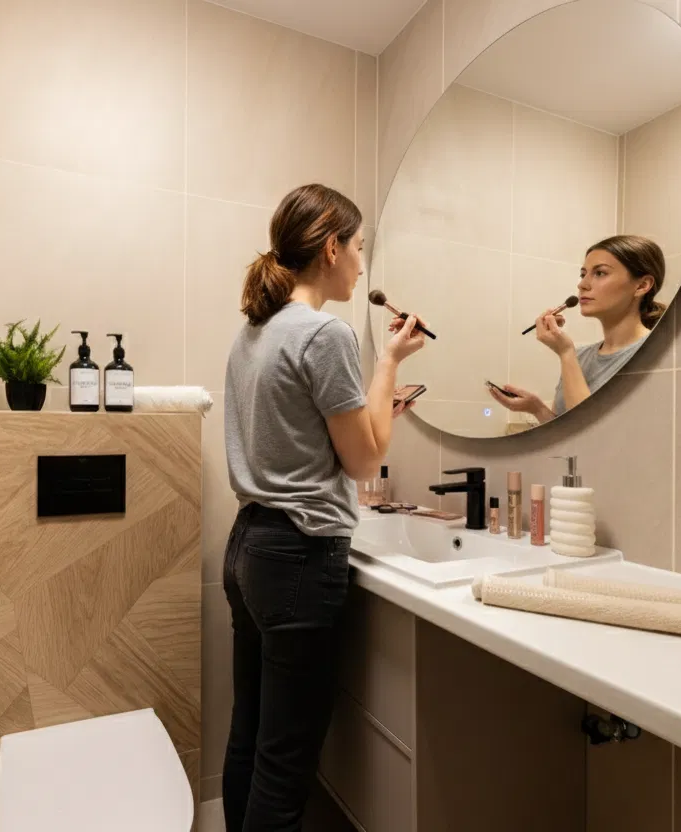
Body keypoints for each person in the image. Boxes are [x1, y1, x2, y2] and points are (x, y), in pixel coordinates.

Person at [220, 183, 425, 831]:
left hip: (248, 545)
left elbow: (305, 437)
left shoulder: (254, 331)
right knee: (285, 765)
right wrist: (388, 364)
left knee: (250, 734)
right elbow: (363, 464)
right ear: (332, 248)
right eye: (359, 247)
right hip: (297, 557)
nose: (362, 264)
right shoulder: (325, 334)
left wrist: (376, 404)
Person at [488, 234, 666, 423]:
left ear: (642, 285)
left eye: (600, 273)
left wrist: (566, 353)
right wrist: (537, 408)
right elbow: (568, 431)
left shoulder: (657, 353)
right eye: (583, 274)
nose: (582, 285)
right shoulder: (580, 357)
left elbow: (592, 429)